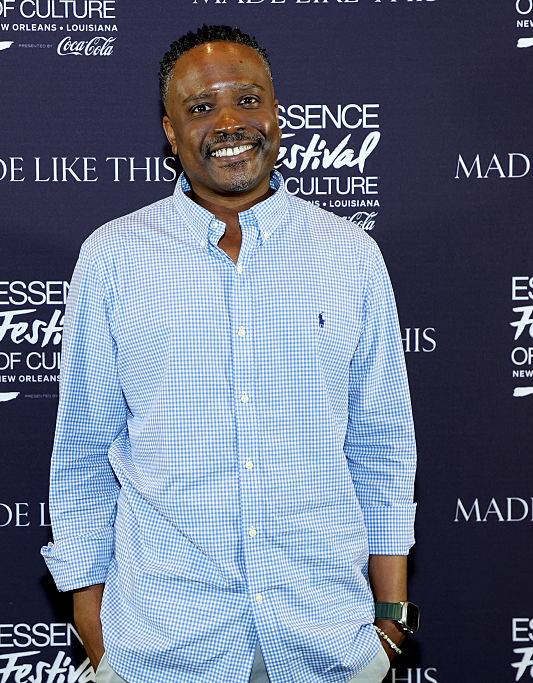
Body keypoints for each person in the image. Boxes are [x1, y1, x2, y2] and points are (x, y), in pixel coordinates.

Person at [41, 24, 418, 683]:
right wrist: (96, 632)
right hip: (163, 646)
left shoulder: (349, 255)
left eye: (247, 100)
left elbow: (382, 447)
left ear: (276, 114)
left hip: (326, 641)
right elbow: (83, 452)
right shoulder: (113, 258)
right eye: (201, 107)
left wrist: (390, 620)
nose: (228, 123)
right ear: (170, 130)